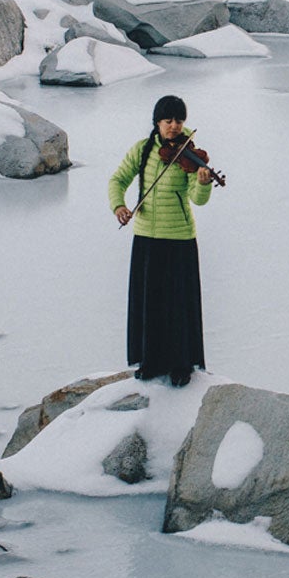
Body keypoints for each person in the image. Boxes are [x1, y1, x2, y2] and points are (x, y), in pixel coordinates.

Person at [108, 94, 214, 385]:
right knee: (150, 303)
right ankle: (151, 361)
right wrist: (119, 205)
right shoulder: (142, 150)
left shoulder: (191, 156)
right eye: (168, 120)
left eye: (179, 121)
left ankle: (181, 365)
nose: (174, 126)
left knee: (178, 304)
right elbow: (117, 180)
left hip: (179, 237)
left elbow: (197, 198)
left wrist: (204, 184)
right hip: (146, 237)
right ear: (157, 122)